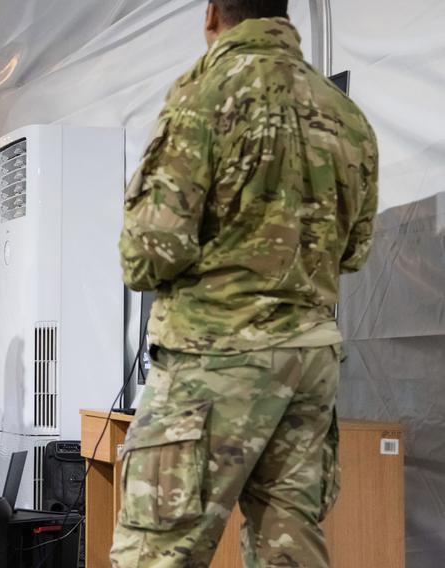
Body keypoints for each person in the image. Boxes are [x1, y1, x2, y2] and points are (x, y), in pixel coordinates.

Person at [111, 1, 378, 566]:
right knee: (290, 547)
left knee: (157, 551)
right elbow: (352, 253)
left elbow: (150, 253)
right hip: (310, 363)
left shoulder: (204, 95)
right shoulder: (346, 115)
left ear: (212, 14)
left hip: (215, 359)